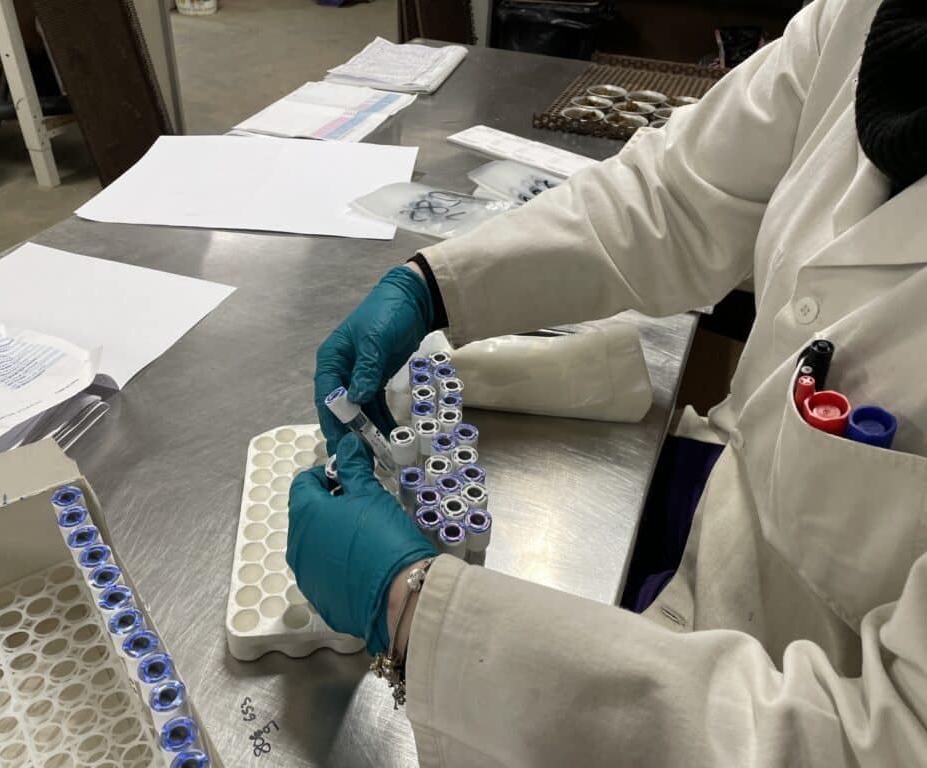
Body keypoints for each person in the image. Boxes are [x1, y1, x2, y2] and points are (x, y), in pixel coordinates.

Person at [287, 0, 927, 764]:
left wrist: (417, 613)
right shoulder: (862, 20)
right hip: (716, 529)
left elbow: (886, 739)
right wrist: (437, 284)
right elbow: (672, 194)